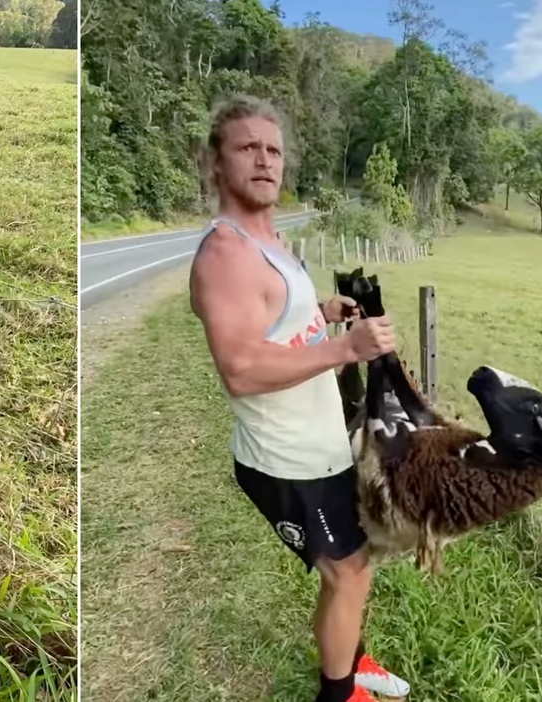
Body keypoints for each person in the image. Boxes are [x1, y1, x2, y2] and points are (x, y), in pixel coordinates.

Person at [188, 95, 410, 702]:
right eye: (247, 147)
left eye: (273, 149)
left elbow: (275, 327)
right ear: (216, 163)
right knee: (349, 573)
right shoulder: (226, 253)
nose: (264, 159)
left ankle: (352, 659)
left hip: (321, 446)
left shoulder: (271, 241)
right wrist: (346, 349)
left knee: (354, 571)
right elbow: (240, 368)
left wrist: (322, 314)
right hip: (285, 460)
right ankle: (339, 694)